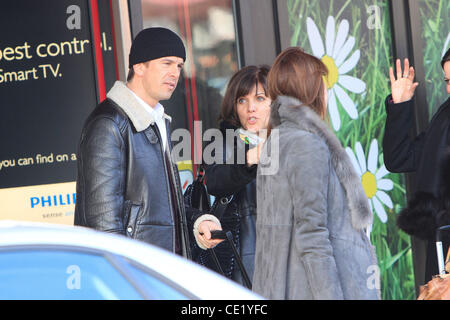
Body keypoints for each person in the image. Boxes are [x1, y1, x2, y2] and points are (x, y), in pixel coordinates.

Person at [252, 47, 380, 300]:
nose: (327, 91)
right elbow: (312, 236)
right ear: (310, 89)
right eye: (323, 83)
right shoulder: (304, 143)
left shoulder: (277, 139)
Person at [74, 27, 191, 258]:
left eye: (179, 65)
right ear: (139, 66)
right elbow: (103, 224)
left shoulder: (157, 120)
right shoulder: (109, 123)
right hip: (135, 275)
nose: (175, 73)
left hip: (163, 269)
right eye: (166, 63)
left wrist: (197, 223)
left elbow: (163, 208)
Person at [191, 65, 271, 286]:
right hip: (241, 256)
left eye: (260, 99)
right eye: (242, 101)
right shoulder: (223, 140)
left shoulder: (288, 140)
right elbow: (216, 182)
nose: (251, 108)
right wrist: (249, 159)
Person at [383, 48, 450, 282]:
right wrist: (400, 105)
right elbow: (400, 157)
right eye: (448, 81)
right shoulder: (445, 121)